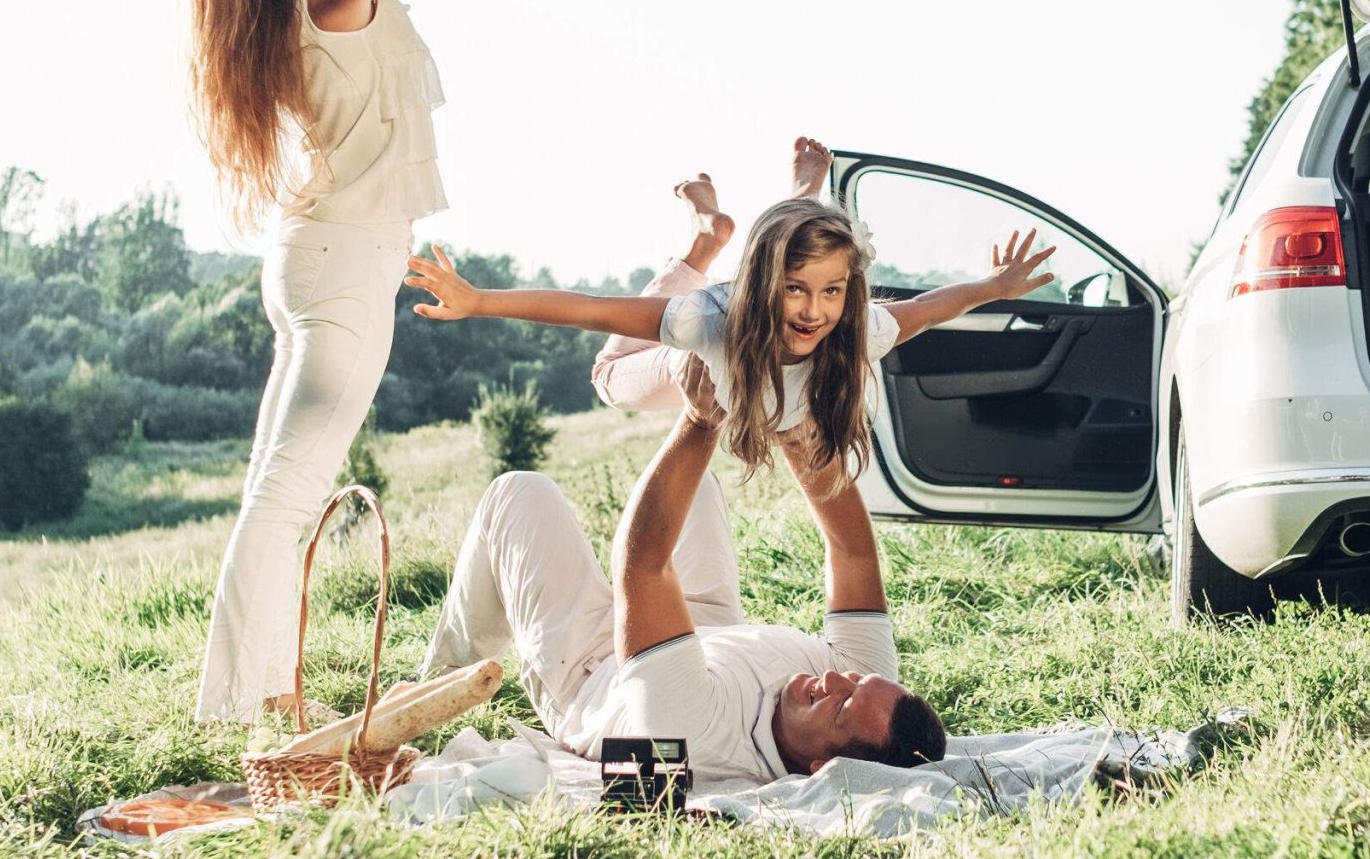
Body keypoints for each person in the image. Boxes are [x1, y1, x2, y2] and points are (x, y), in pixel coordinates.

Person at [177, 0, 453, 726]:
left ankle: (277, 699)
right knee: (288, 496)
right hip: (339, 268)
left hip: (319, 259)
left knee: (280, 492)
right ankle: (244, 711)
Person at [419, 358, 950, 781]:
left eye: (839, 706)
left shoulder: (697, 736)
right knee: (697, 492)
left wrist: (701, 420)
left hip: (589, 666)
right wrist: (799, 432)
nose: (833, 678)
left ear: (824, 770)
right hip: (705, 630)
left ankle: (429, 691)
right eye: (854, 680)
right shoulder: (881, 694)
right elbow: (853, 551)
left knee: (519, 492)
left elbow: (643, 567)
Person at [403, 174, 1056, 482]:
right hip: (693, 355)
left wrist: (994, 287)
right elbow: (592, 308)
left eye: (831, 291)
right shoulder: (706, 321)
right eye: (796, 289)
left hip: (734, 336)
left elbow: (931, 308)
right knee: (607, 372)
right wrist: (480, 299)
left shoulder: (856, 328)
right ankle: (703, 245)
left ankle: (772, 205)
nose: (813, 311)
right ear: (770, 282)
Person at [587, 136, 830, 415]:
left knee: (607, 372)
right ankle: (796, 212)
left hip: (718, 346)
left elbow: (591, 310)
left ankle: (710, 241)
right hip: (770, 337)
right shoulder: (861, 328)